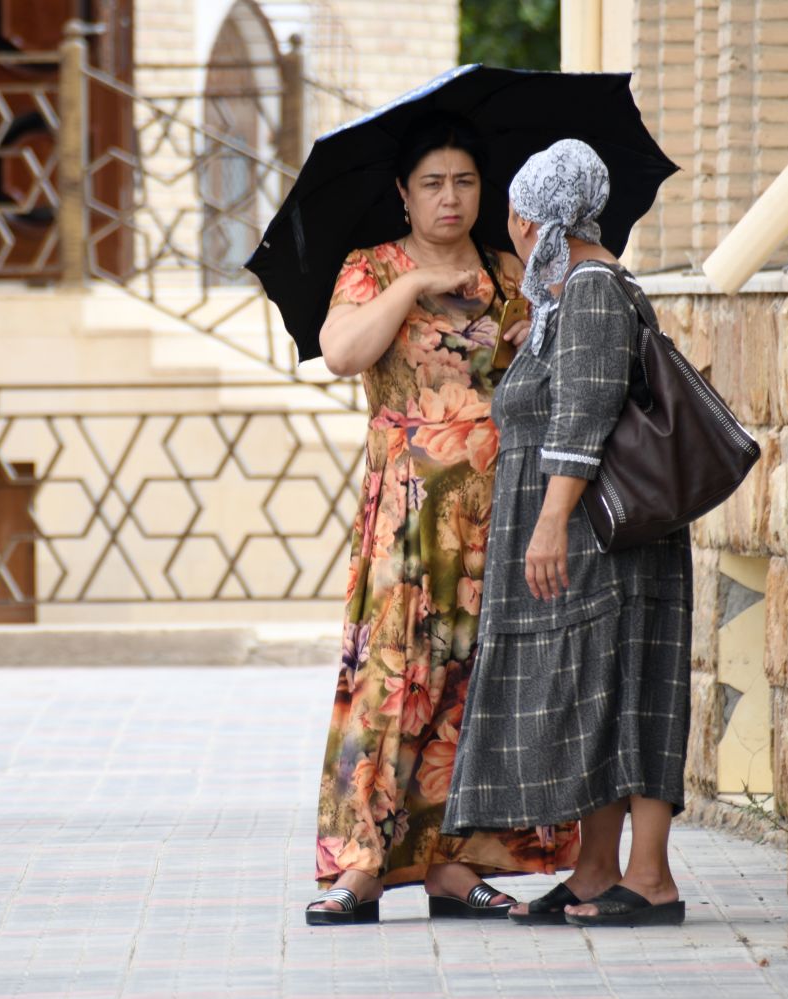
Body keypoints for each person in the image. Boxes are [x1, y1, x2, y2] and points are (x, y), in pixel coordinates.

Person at [306, 115, 580, 927]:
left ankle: (455, 869)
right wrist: (410, 290)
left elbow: (550, 380)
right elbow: (343, 353)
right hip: (409, 512)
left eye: (464, 181)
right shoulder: (373, 266)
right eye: (433, 183)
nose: (451, 197)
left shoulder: (509, 270)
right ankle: (360, 866)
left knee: (476, 686)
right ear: (404, 192)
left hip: (501, 509)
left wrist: (540, 333)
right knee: (394, 677)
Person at [441, 139, 693, 928]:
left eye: (513, 208)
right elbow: (573, 390)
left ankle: (649, 878)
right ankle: (595, 870)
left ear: (530, 215)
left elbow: (583, 417)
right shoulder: (575, 297)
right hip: (589, 534)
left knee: (629, 693)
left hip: (594, 533)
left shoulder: (589, 289)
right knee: (599, 693)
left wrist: (550, 523)